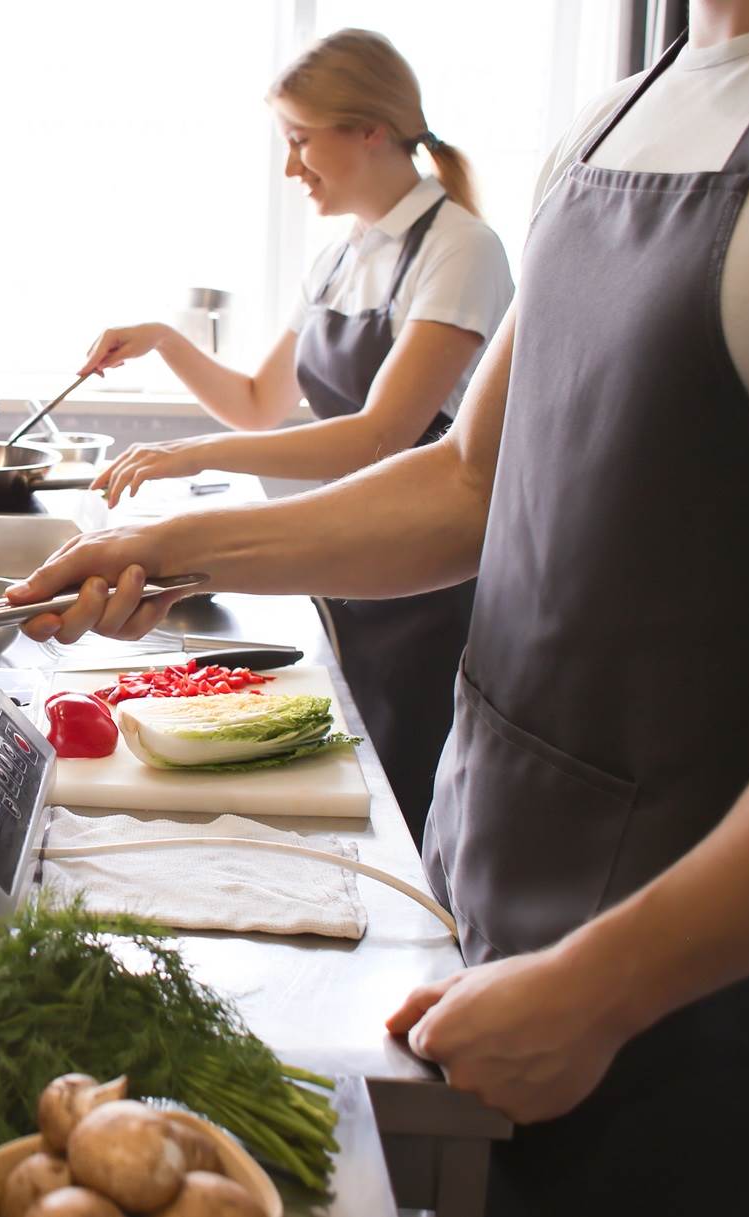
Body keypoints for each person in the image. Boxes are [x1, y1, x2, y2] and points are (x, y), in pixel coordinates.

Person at [6, 1, 749, 1212]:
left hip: (682, 949)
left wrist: (611, 982)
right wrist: (172, 549)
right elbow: (467, 482)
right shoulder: (607, 127)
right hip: (489, 845)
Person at [78, 30, 513, 842]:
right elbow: (255, 402)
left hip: (426, 585)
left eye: (301, 140)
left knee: (405, 798)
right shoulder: (339, 259)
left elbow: (378, 438)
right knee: (351, 787)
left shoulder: (462, 250)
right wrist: (166, 339)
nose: (291, 167)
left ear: (370, 129)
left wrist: (189, 455)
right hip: (347, 563)